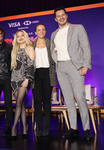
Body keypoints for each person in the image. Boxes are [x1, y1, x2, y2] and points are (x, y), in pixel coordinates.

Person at [50, 7, 92, 141]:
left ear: (66, 16)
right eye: (58, 16)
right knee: (68, 99)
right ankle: (73, 128)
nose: (61, 17)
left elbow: (85, 46)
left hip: (75, 66)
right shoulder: (54, 34)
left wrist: (85, 65)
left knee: (79, 96)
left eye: (63, 15)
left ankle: (86, 129)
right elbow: (53, 51)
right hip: (61, 67)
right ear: (55, 19)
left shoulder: (78, 28)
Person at [32, 24, 57, 137]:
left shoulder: (51, 43)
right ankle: (38, 129)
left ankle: (46, 129)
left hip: (48, 73)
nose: (41, 31)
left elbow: (56, 58)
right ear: (35, 32)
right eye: (39, 30)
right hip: (35, 74)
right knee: (37, 101)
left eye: (43, 29)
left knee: (47, 101)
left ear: (45, 31)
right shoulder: (31, 44)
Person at [11, 30, 35, 140]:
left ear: (26, 36)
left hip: (24, 79)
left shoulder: (29, 48)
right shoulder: (14, 50)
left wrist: (27, 79)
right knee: (21, 103)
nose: (20, 37)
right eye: (18, 36)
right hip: (13, 80)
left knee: (19, 102)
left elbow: (31, 66)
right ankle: (25, 128)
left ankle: (14, 128)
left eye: (22, 35)